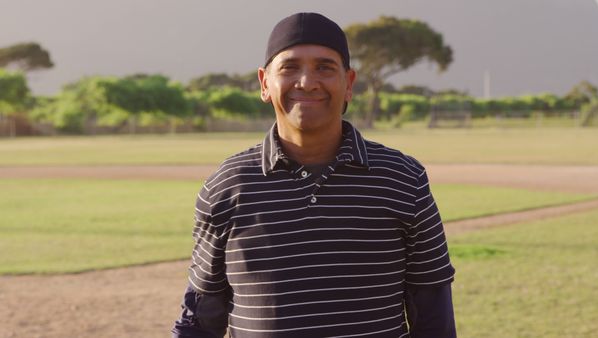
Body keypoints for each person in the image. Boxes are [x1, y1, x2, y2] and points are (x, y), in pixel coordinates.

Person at [172, 12, 456, 338]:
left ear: (348, 84)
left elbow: (434, 318)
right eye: (290, 67)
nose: (307, 82)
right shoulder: (227, 186)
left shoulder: (403, 180)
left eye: (324, 67)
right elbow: (200, 320)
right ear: (265, 83)